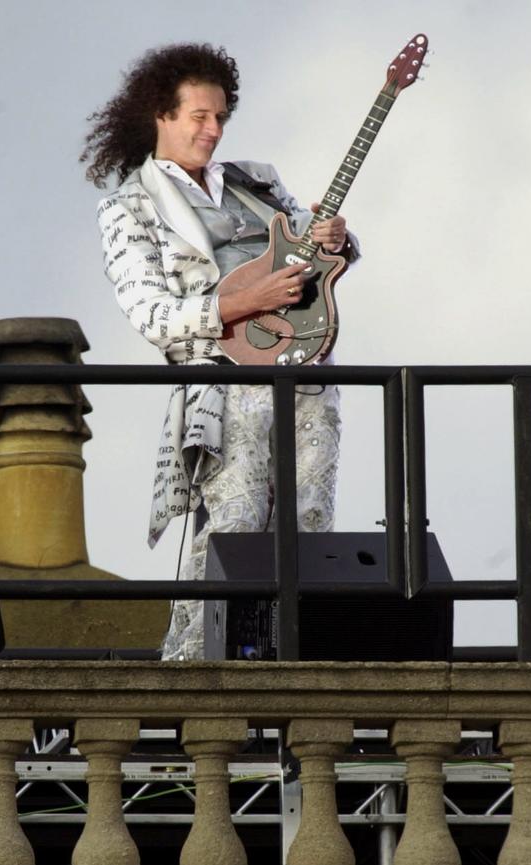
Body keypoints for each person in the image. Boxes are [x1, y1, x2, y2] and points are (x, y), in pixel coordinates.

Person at [82, 43, 359, 660]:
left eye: (222, 117)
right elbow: (151, 316)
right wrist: (240, 301)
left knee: (311, 523)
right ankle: (192, 666)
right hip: (222, 383)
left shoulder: (257, 180)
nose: (214, 129)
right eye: (200, 117)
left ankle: (299, 659)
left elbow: (312, 256)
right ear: (161, 114)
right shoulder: (129, 207)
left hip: (306, 373)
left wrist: (336, 238)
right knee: (231, 526)